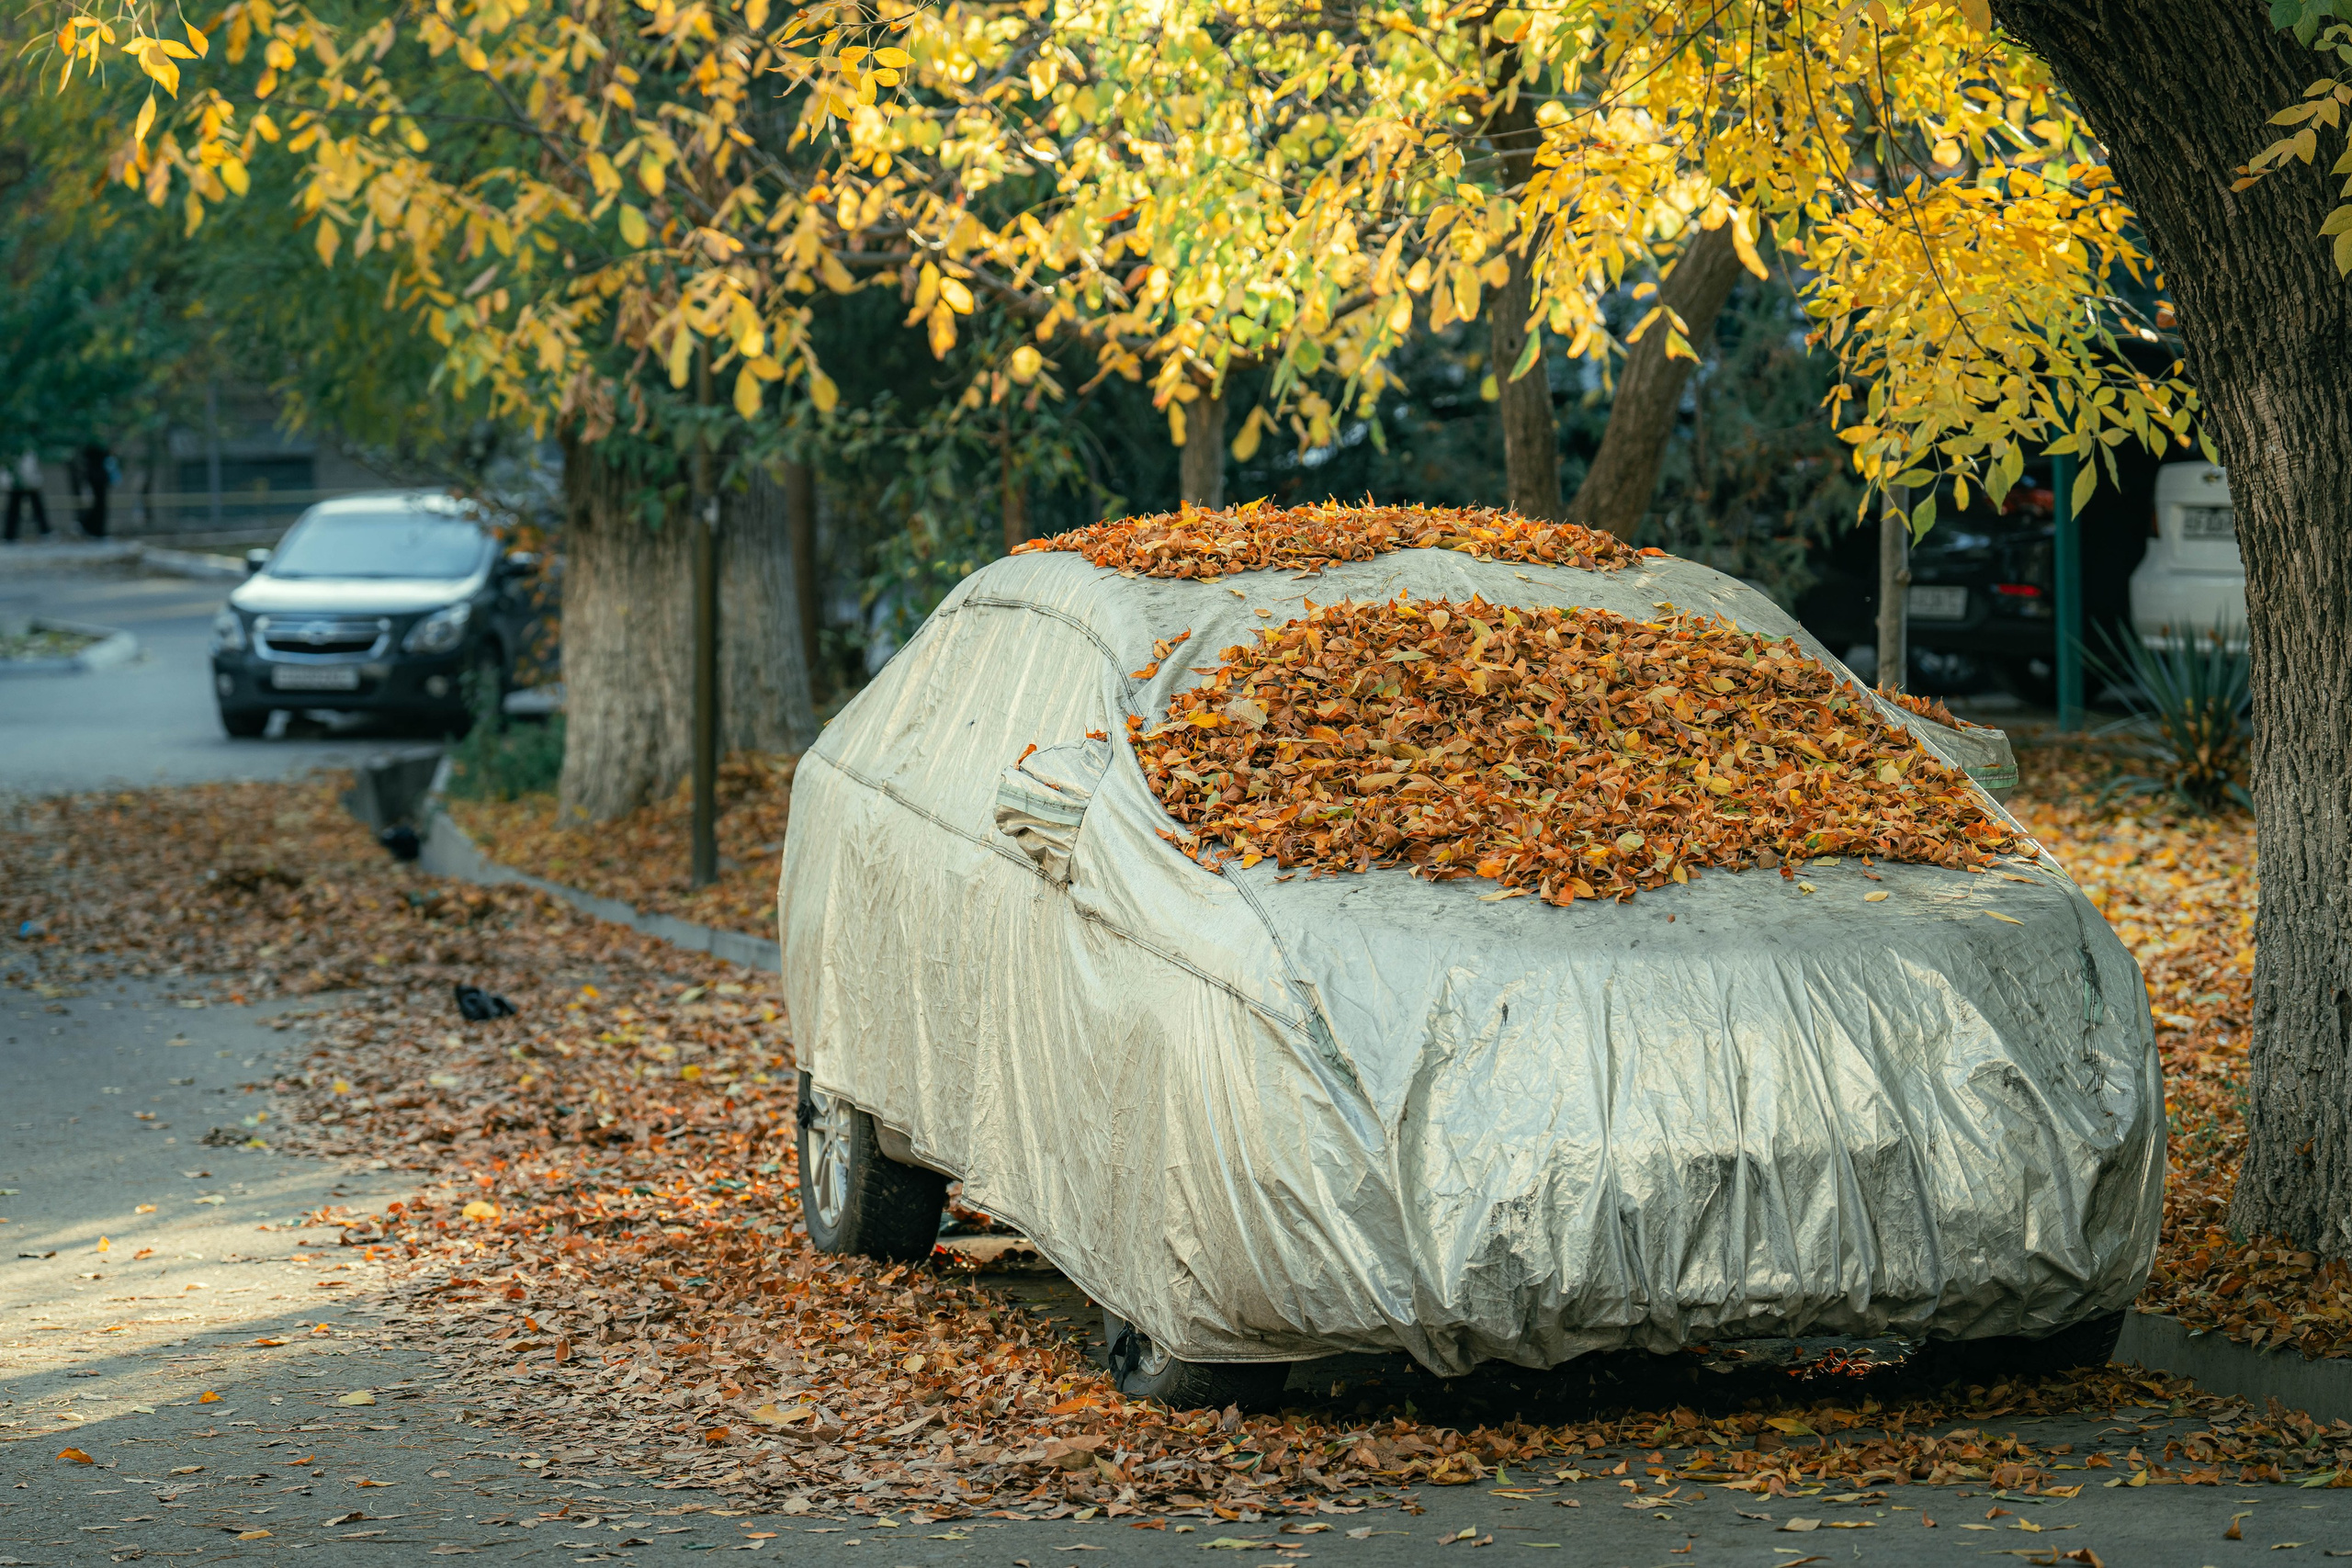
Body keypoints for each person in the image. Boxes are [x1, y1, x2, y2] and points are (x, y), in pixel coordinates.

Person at [3, 449, 50, 542]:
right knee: (14, 509)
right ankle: (9, 535)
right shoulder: (13, 447)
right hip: (17, 483)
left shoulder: (27, 447)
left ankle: (45, 531)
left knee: (37, 508)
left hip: (29, 482)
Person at [78, 444, 112, 538]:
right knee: (99, 505)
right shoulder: (96, 445)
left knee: (98, 505)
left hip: (96, 479)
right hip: (97, 479)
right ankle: (92, 528)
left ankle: (93, 528)